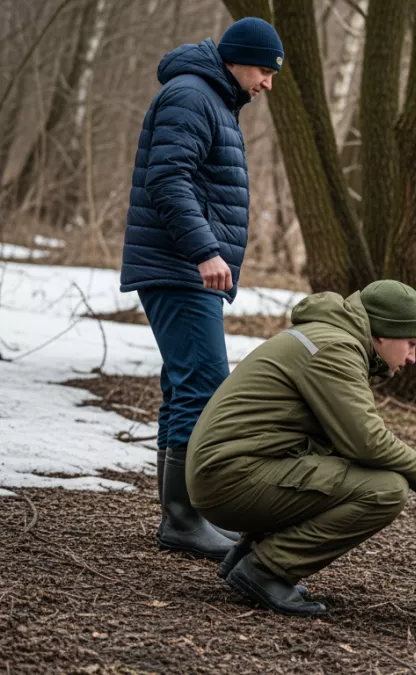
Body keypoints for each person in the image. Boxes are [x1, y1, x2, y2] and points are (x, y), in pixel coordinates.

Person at [185, 281, 416, 617]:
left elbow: (346, 441)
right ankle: (267, 570)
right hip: (228, 480)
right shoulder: (335, 349)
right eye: (411, 343)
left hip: (227, 472)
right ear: (382, 333)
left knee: (342, 463)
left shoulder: (325, 337)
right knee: (385, 490)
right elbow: (367, 441)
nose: (412, 357)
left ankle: (250, 552)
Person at [118, 17, 285, 559]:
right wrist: (204, 251)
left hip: (182, 266)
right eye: (263, 70)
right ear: (237, 60)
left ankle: (181, 515)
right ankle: (186, 518)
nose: (266, 82)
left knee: (186, 381)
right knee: (205, 384)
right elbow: (167, 180)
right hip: (179, 266)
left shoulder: (211, 98)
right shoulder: (192, 96)